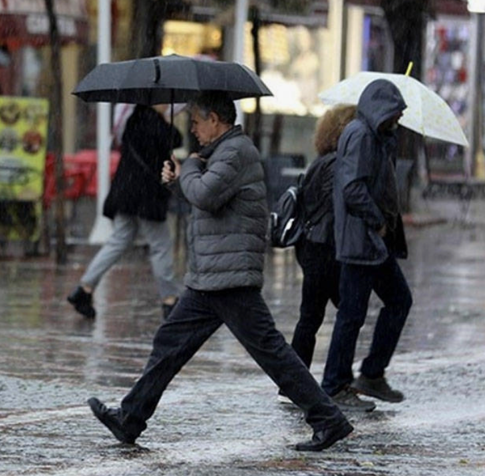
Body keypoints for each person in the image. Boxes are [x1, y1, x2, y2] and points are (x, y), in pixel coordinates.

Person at [87, 91, 353, 452]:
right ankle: (130, 418)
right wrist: (178, 180)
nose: (192, 129)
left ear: (215, 119)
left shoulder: (236, 152)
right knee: (170, 343)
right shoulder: (219, 153)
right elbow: (205, 200)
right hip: (210, 274)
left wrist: (189, 168)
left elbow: (207, 194)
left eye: (196, 121)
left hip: (229, 274)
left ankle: (328, 419)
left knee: (271, 352)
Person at [320, 79, 413, 411]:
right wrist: (377, 219)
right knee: (352, 314)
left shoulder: (377, 136)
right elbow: (352, 188)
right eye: (395, 113)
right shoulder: (360, 135)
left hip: (374, 242)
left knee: (398, 301)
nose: (398, 120)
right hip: (362, 239)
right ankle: (334, 384)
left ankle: (372, 373)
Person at [67, 104, 182, 320]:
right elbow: (176, 139)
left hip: (125, 192)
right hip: (145, 196)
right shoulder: (155, 123)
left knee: (118, 241)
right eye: (163, 101)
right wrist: (166, 121)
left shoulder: (132, 120)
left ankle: (84, 287)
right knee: (161, 245)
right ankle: (170, 300)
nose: (167, 104)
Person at [284, 104, 355, 384]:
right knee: (346, 314)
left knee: (311, 318)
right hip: (326, 249)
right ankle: (332, 381)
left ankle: (294, 383)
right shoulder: (337, 163)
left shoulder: (322, 160)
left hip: (313, 246)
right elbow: (336, 206)